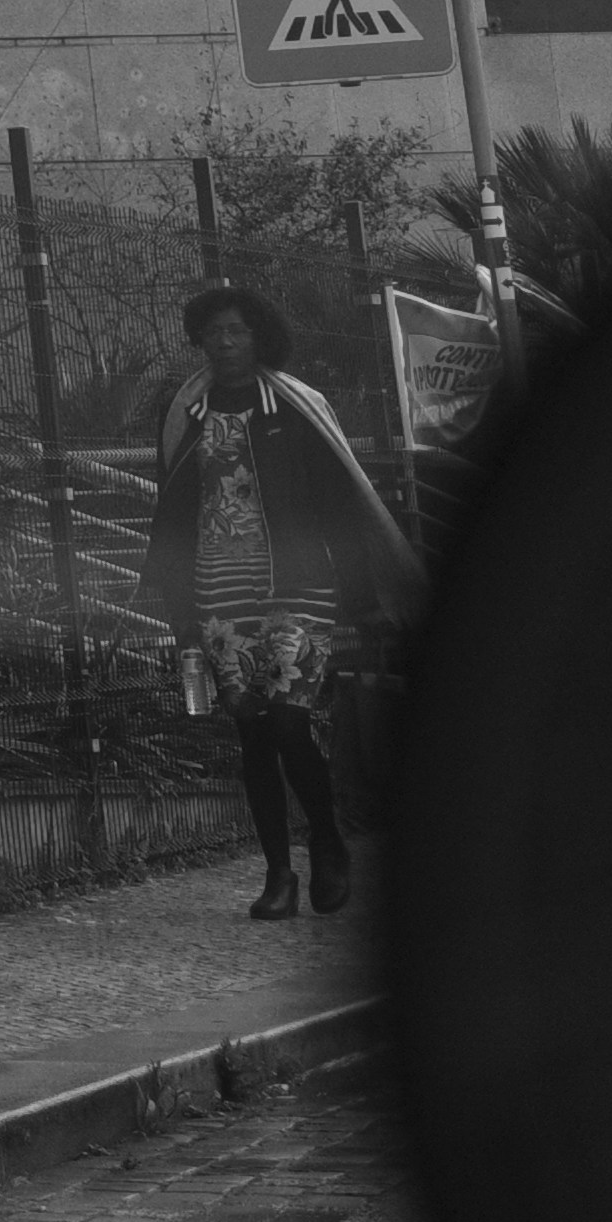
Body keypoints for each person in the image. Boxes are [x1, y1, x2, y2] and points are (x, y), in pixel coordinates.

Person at [142, 281, 411, 919]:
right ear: (199, 339)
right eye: (214, 333)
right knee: (252, 731)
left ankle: (326, 841)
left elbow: (342, 502)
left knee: (290, 722)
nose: (226, 342)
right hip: (218, 588)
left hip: (299, 586)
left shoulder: (296, 407)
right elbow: (174, 509)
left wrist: (364, 599)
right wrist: (178, 607)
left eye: (238, 331)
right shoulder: (187, 411)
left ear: (260, 336)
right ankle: (277, 876)